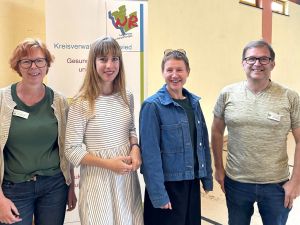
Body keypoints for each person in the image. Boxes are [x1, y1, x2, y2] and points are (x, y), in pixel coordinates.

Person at [211, 40, 300, 225]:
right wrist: (219, 168)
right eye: (251, 59)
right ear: (243, 63)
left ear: (273, 64)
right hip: (236, 183)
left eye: (263, 59)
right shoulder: (227, 94)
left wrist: (295, 181)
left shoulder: (289, 97)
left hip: (277, 186)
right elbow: (217, 131)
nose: (257, 64)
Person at [64, 37, 143, 225]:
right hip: (98, 180)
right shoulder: (81, 102)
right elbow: (71, 149)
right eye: (103, 59)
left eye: (115, 59)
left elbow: (131, 129)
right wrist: (109, 164)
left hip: (125, 181)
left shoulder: (127, 96)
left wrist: (135, 148)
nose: (110, 65)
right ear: (93, 63)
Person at [0, 38, 77, 225]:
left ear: (47, 64)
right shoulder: (2, 100)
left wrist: (71, 186)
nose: (33, 66)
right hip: (14, 187)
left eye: (39, 60)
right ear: (17, 66)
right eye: (26, 61)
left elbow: (66, 147)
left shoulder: (59, 101)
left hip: (54, 186)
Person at [140, 49, 213, 225]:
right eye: (169, 70)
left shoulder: (193, 104)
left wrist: (207, 178)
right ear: (163, 72)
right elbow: (150, 155)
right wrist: (158, 194)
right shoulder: (152, 106)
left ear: (187, 72)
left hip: (191, 182)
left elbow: (202, 143)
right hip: (167, 186)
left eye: (179, 70)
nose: (174, 75)